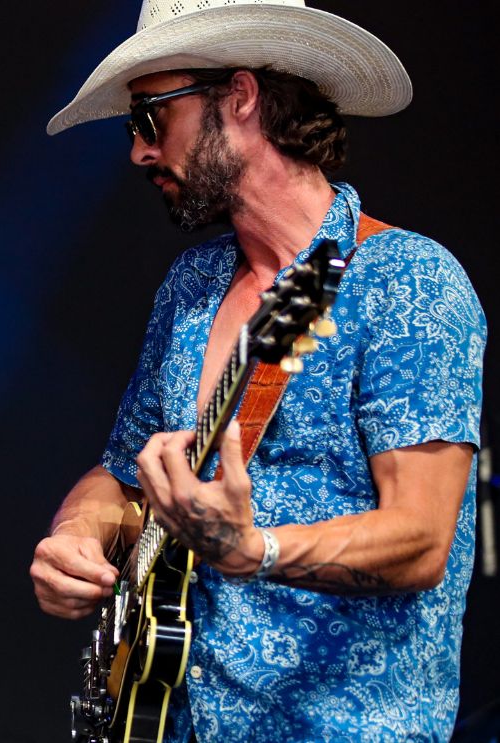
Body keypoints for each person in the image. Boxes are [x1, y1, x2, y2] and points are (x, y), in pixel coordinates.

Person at [28, 1, 485, 741]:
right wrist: (74, 534)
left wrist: (254, 550)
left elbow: (421, 536)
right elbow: (119, 473)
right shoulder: (190, 285)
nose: (139, 152)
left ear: (239, 97)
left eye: (150, 117)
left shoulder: (407, 281)